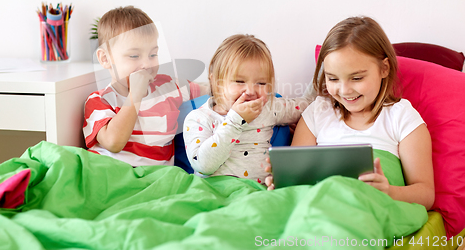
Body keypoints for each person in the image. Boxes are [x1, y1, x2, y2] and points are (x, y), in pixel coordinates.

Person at [265, 17, 435, 210]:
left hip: (369, 210)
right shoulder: (317, 112)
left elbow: (426, 194)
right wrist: (282, 182)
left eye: (356, 78)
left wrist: (389, 192)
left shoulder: (401, 116)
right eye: (333, 78)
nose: (344, 90)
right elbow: (299, 182)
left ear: (384, 68)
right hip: (317, 208)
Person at [83, 6, 208, 166]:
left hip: (157, 179)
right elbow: (113, 143)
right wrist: (135, 95)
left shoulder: (169, 86)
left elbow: (210, 90)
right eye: (134, 56)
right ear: (105, 59)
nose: (146, 64)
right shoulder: (99, 101)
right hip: (111, 175)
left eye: (153, 55)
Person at [183, 34, 316, 183]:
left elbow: (307, 104)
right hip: (213, 192)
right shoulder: (198, 118)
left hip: (256, 193)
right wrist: (235, 121)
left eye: (261, 83)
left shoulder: (269, 107)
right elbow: (203, 166)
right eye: (239, 81)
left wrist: (324, 70)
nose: (251, 91)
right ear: (215, 82)